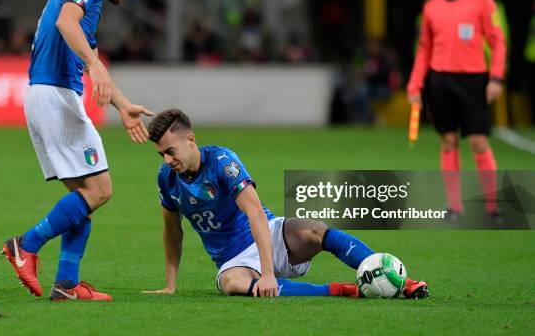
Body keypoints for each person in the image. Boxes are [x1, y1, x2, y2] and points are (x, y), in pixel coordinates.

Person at [1, 0, 154, 301]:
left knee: (84, 196)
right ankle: (26, 244)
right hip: (55, 96)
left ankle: (67, 284)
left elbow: (81, 41)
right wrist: (94, 64)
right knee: (100, 190)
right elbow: (66, 21)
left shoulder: (91, 4)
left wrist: (123, 105)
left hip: (46, 95)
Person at [143, 109, 429, 298]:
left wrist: (268, 273)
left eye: (170, 151)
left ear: (190, 140)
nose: (168, 160)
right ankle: (343, 290)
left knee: (315, 230)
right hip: (233, 260)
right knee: (232, 284)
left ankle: (402, 282)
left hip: (269, 232)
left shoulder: (222, 162)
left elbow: (255, 213)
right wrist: (170, 285)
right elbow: (172, 232)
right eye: (161, 155)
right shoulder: (166, 178)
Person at [407, 0, 506, 221]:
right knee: (448, 142)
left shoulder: (482, 2)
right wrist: (414, 86)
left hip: (474, 80)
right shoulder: (431, 7)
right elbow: (424, 49)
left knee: (479, 143)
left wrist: (496, 77)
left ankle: (493, 206)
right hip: (440, 81)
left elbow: (498, 43)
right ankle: (455, 207)